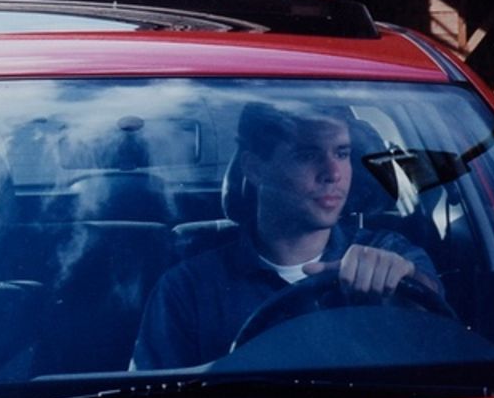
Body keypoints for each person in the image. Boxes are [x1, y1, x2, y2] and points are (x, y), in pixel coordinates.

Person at [133, 102, 437, 369]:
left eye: (342, 153)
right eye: (307, 155)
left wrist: (406, 288)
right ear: (254, 168)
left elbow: (441, 340)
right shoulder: (188, 288)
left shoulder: (391, 253)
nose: (334, 172)